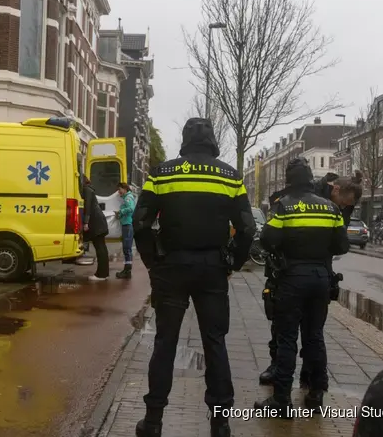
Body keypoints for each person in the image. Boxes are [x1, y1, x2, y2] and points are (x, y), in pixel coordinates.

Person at [132, 118, 255, 437]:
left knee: (165, 342)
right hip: (213, 268)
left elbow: (141, 221)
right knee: (215, 343)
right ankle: (220, 423)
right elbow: (247, 228)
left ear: (185, 141)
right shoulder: (231, 176)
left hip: (171, 267)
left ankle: (154, 420)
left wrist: (153, 263)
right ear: (212, 140)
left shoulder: (162, 173)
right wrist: (232, 263)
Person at [254, 158, 350, 417]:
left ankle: (282, 401)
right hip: (320, 278)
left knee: (286, 338)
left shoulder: (284, 207)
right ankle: (317, 393)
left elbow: (266, 240)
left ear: (289, 180)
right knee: (314, 336)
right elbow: (342, 246)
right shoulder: (331, 209)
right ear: (310, 179)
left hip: (291, 278)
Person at [82, 175, 111, 281]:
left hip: (96, 223)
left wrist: (86, 222)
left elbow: (88, 207)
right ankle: (103, 273)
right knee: (101, 248)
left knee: (100, 249)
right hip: (99, 222)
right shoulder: (90, 189)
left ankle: (101, 274)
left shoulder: (86, 190)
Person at [116, 182, 136, 279]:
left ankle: (127, 271)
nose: (118, 192)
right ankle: (126, 269)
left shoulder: (128, 197)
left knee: (127, 248)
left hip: (127, 224)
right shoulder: (126, 198)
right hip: (126, 224)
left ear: (124, 189)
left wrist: (121, 212)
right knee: (126, 248)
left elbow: (131, 208)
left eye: (119, 189)